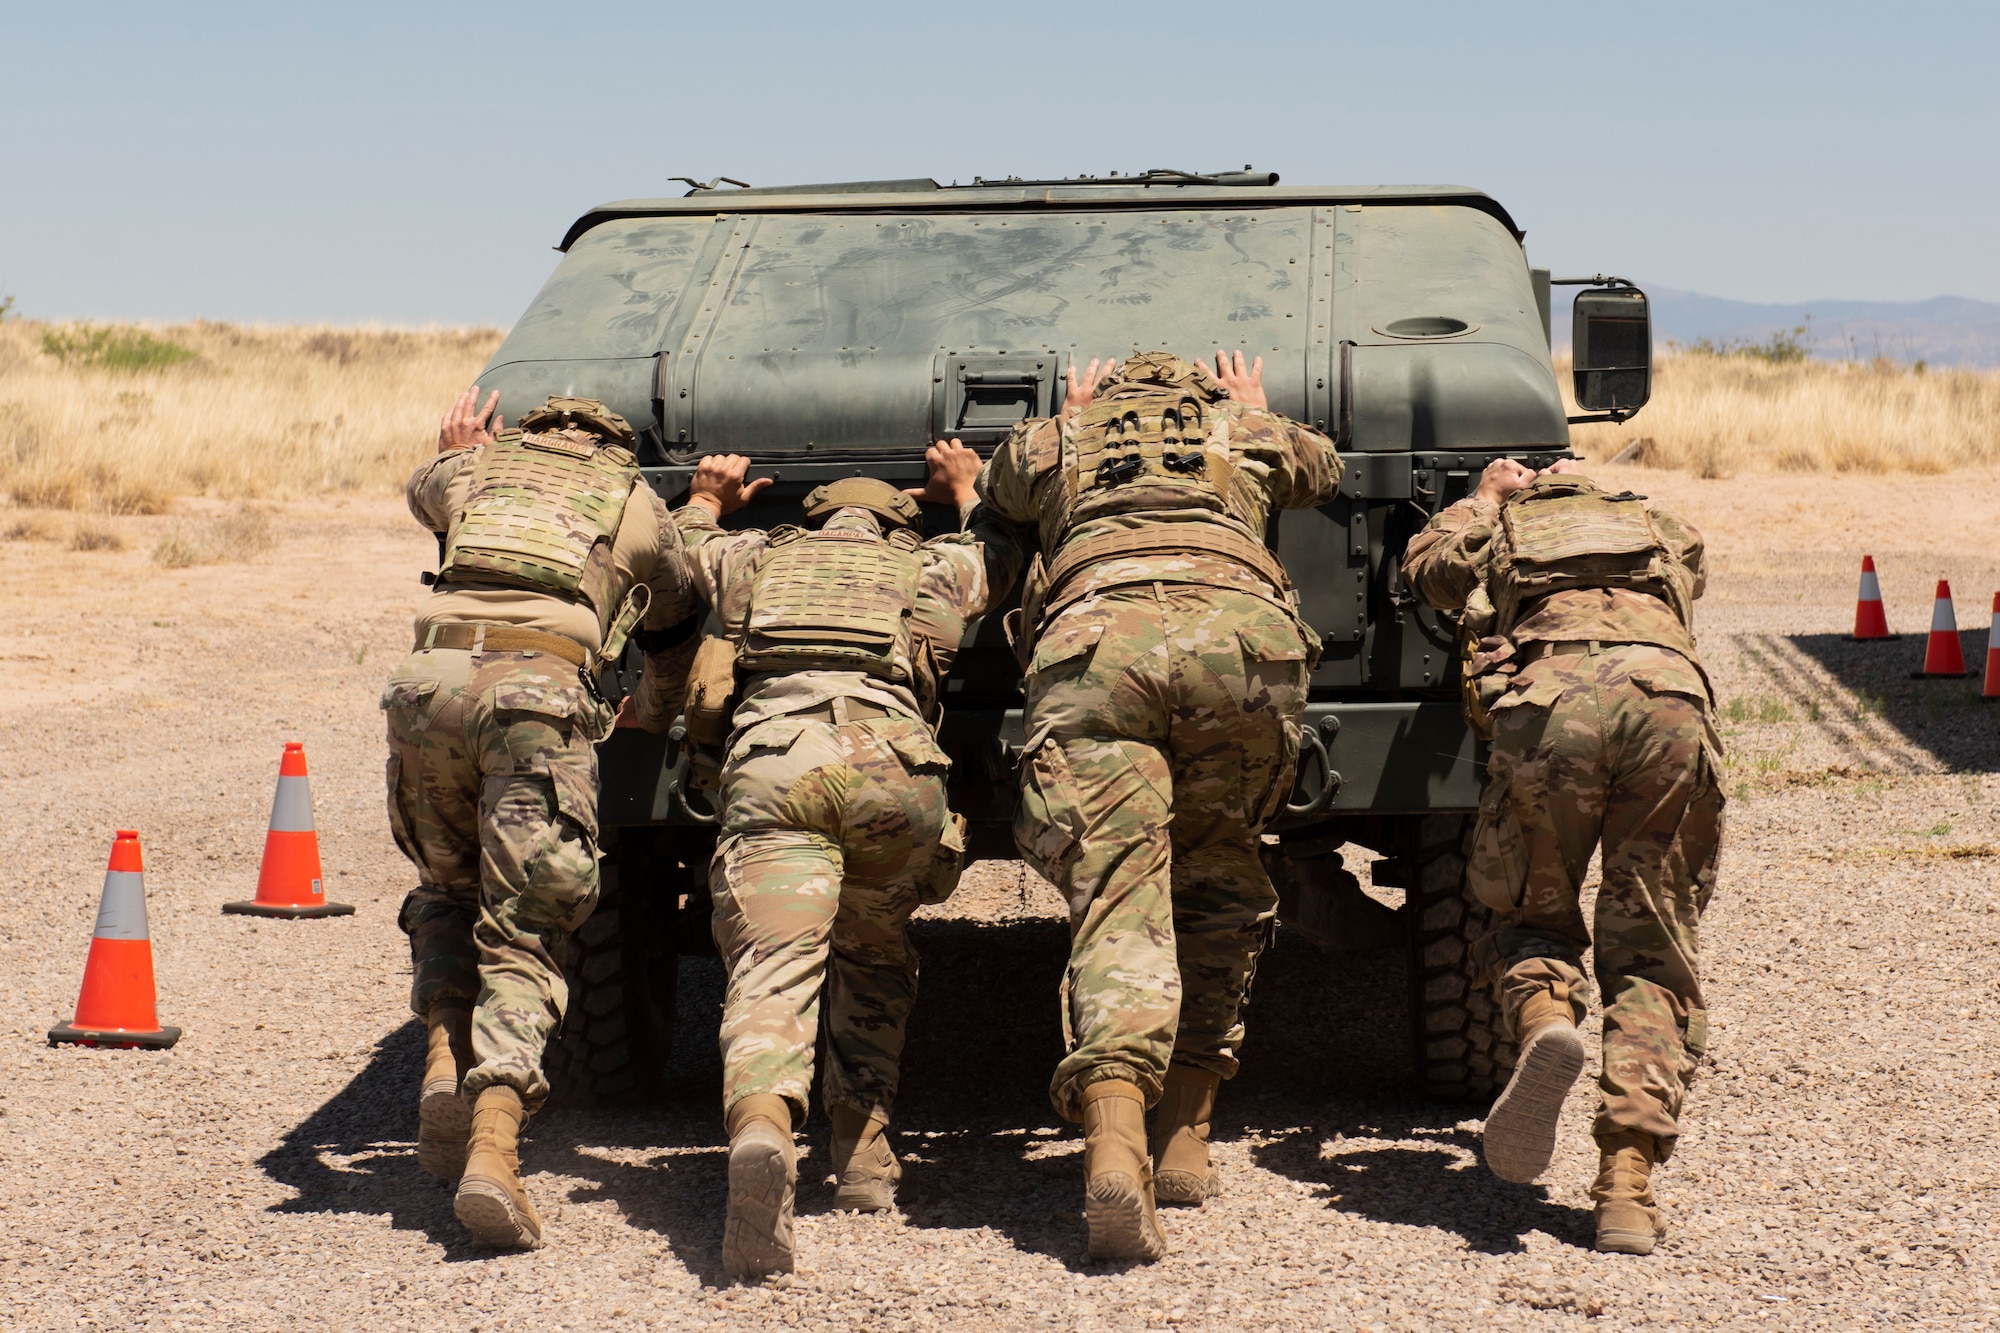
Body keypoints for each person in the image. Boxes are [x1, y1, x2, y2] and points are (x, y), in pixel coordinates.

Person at [977, 350, 1342, 1261]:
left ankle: (1112, 1133)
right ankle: (1186, 1130)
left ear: (1106, 393)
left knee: (1117, 897)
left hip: (1098, 646)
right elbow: (1323, 468)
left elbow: (1001, 487)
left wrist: (1071, 415)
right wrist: (1257, 409)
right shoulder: (1247, 428)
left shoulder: (1056, 437)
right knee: (1220, 871)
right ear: (1206, 391)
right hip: (1243, 647)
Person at [674, 442, 1021, 1280]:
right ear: (903, 522)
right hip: (893, 776)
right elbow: (1002, 558)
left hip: (777, 769)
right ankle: (862, 1154)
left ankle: (762, 1128)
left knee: (772, 966)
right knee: (873, 949)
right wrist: (967, 491)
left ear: (813, 518)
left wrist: (707, 497)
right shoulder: (930, 567)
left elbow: (684, 552)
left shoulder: (758, 560)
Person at [382, 387, 697, 1249]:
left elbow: (424, 491)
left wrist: (451, 448)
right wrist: (654, 710)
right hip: (536, 694)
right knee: (527, 926)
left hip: (425, 690)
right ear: (611, 447)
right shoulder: (635, 501)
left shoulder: (473, 471)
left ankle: (446, 1052)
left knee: (447, 888)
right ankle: (493, 1145)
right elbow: (676, 621)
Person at [1401, 457, 1724, 1256]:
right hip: (1668, 703)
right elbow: (1693, 577)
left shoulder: (1505, 525)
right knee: (1651, 954)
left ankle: (1548, 1019)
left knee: (1529, 912)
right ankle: (1624, 1186)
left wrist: (1484, 499)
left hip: (1552, 708)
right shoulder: (1656, 522)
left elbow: (1428, 574)